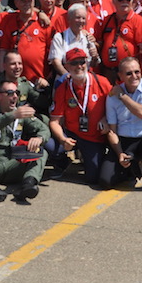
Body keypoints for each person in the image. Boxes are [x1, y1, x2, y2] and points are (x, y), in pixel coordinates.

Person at [103, 57, 142, 194]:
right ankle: (131, 169)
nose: (134, 76)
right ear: (120, 76)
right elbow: (112, 131)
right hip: (125, 142)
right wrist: (120, 153)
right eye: (128, 73)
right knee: (105, 181)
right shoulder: (112, 96)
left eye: (137, 72)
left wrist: (122, 96)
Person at [48, 48, 113, 186]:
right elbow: (54, 121)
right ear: (66, 67)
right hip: (72, 134)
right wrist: (63, 139)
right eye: (74, 63)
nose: (79, 66)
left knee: (93, 179)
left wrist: (107, 119)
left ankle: (98, 157)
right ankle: (62, 161)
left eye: (82, 62)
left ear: (87, 63)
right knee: (49, 143)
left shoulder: (102, 82)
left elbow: (117, 109)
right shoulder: (63, 87)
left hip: (93, 137)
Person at [0, 0, 52, 88]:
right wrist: (2, 75)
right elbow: (3, 50)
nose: (27, 4)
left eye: (29, 1)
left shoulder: (43, 23)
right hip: (14, 81)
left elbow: (52, 53)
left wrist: (49, 77)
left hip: (39, 81)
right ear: (16, 3)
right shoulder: (9, 20)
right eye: (23, 1)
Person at [95, 0, 142, 82]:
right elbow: (100, 43)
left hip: (128, 75)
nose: (125, 2)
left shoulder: (139, 21)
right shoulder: (107, 20)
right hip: (108, 72)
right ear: (113, 0)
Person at [49, 3, 100, 79]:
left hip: (84, 81)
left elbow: (94, 64)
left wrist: (95, 57)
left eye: (83, 18)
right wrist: (69, 78)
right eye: (78, 18)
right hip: (65, 81)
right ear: (69, 19)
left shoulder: (87, 37)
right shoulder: (59, 37)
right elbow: (56, 62)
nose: (81, 21)